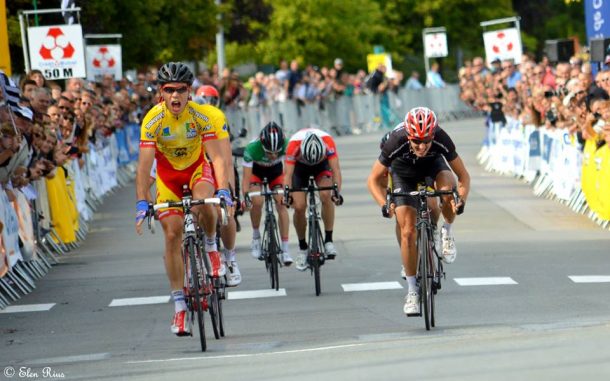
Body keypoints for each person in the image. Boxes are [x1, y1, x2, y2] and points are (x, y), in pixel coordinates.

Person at [135, 62, 234, 337]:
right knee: (171, 234)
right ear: (161, 92)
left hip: (196, 172)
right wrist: (142, 202)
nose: (175, 96)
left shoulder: (201, 116)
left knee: (206, 201)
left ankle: (212, 248)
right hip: (168, 180)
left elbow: (217, 157)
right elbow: (143, 168)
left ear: (189, 91)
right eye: (169, 90)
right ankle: (179, 308)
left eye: (181, 90)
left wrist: (223, 189)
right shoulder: (152, 120)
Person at [367, 107, 470, 316]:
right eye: (416, 142)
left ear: (433, 134)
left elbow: (463, 176)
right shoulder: (396, 141)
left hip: (433, 167)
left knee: (447, 191)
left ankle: (446, 233)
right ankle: (412, 290)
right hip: (403, 173)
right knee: (407, 231)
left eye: (427, 141)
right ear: (408, 136)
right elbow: (373, 180)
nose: (422, 147)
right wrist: (384, 204)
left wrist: (461, 201)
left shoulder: (441, 137)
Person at [283, 127, 343, 271]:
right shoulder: (293, 145)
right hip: (299, 169)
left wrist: (336, 193)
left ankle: (328, 240)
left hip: (321, 167)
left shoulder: (328, 142)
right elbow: (288, 175)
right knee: (299, 206)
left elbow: (336, 170)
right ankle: (303, 247)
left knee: (326, 195)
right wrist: (287, 195)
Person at [243, 121, 293, 266]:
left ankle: (285, 249)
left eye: (276, 152)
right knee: (257, 202)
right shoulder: (252, 148)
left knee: (282, 203)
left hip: (276, 173)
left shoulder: (287, 146)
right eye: (269, 152)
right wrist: (246, 197)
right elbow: (246, 179)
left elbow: (289, 173)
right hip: (256, 173)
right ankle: (256, 237)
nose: (273, 155)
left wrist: (289, 192)